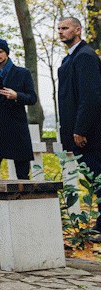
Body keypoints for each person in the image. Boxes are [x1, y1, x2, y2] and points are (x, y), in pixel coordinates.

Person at [0, 38, 38, 180]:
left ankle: (25, 201)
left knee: (23, 173)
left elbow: (32, 98)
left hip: (16, 126)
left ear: (6, 53)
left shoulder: (22, 73)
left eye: (0, 51)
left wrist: (16, 95)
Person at [57, 17, 101, 180]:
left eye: (65, 28)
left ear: (78, 30)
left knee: (97, 181)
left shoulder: (85, 56)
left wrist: (81, 129)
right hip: (77, 134)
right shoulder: (69, 58)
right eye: (59, 29)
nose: (61, 32)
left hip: (88, 135)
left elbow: (91, 96)